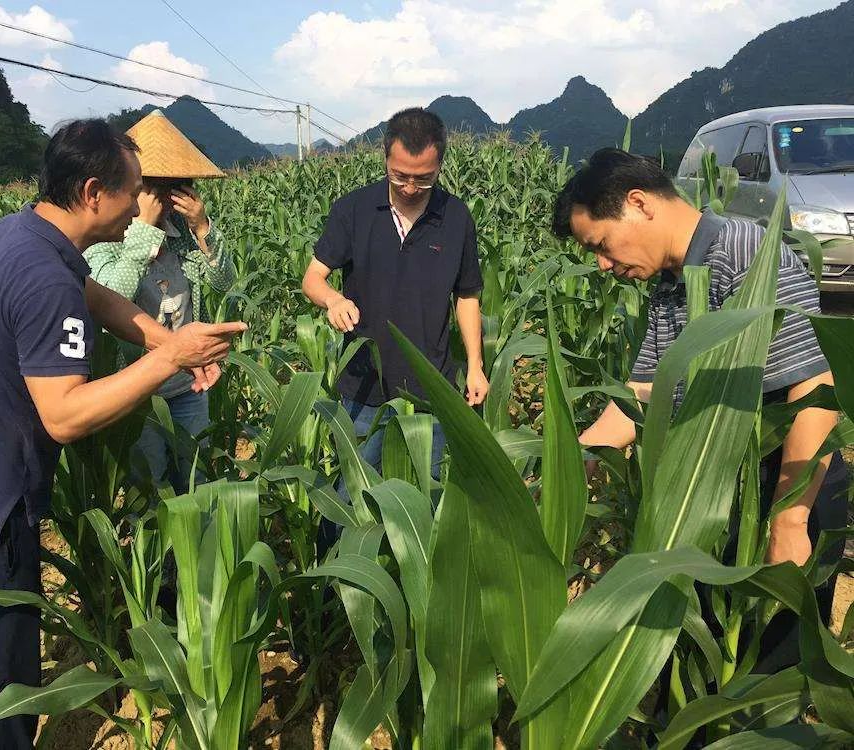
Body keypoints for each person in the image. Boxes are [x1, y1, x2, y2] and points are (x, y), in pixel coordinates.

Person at [0, 119, 246, 749]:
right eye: (132, 192)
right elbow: (65, 414)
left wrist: (172, 343)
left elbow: (100, 297)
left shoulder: (19, 233)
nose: (141, 208)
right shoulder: (47, 280)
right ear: (92, 192)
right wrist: (166, 362)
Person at [552, 147, 847, 673]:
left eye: (600, 244)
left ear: (638, 203)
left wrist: (789, 517)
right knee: (711, 656)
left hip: (783, 480)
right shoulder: (672, 283)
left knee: (770, 670)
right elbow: (642, 394)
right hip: (716, 492)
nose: (602, 264)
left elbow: (813, 387)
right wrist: (566, 464)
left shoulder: (742, 252)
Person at [302, 107, 487, 528]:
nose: (409, 186)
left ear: (440, 164)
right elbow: (313, 277)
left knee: (430, 502)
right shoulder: (355, 210)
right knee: (352, 503)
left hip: (431, 390)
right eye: (399, 174)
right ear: (385, 158)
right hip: (365, 385)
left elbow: (468, 296)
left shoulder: (455, 217)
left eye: (423, 178)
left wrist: (474, 367)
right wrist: (332, 300)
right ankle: (342, 586)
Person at [86, 111, 235, 490]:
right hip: (138, 393)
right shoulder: (106, 237)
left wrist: (203, 228)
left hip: (186, 386)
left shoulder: (183, 235)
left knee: (195, 477)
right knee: (150, 489)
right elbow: (109, 300)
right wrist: (142, 231)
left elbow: (224, 281)